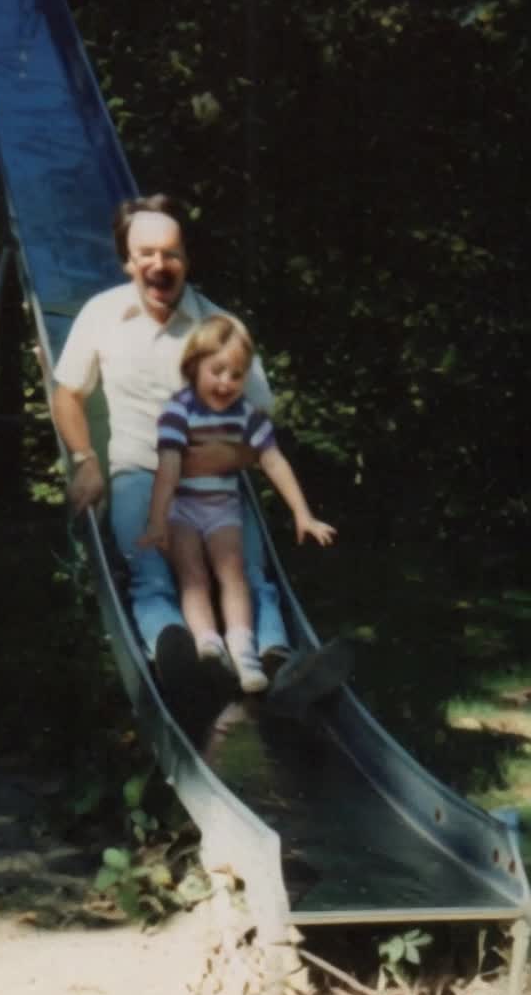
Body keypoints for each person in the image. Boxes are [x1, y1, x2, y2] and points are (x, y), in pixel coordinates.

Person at [50, 193, 349, 722]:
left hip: (215, 482)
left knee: (249, 574)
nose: (158, 266)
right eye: (146, 254)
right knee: (151, 573)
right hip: (139, 472)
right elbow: (67, 393)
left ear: (187, 258)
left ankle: (280, 662)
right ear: (127, 260)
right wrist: (85, 460)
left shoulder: (218, 327)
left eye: (170, 254)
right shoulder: (101, 315)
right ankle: (179, 658)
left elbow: (260, 420)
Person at [138, 314, 337, 694]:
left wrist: (302, 513)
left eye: (237, 374)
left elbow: (273, 460)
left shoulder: (246, 415)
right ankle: (209, 645)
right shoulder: (178, 410)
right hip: (182, 506)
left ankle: (244, 652)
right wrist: (157, 520)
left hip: (223, 508)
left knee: (233, 574)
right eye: (218, 371)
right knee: (193, 575)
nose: (226, 382)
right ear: (194, 366)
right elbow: (168, 466)